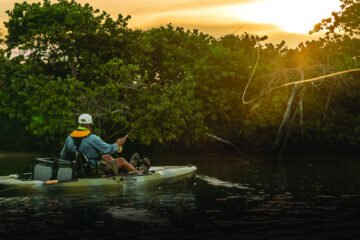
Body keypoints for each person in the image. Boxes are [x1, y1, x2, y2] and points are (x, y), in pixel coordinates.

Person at [60, 113, 138, 174]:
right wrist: (117, 144)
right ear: (89, 125)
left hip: (77, 169)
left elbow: (63, 155)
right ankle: (138, 173)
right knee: (121, 160)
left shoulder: (69, 138)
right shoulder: (93, 138)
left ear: (79, 124)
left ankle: (131, 165)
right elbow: (109, 149)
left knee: (106, 156)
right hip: (93, 170)